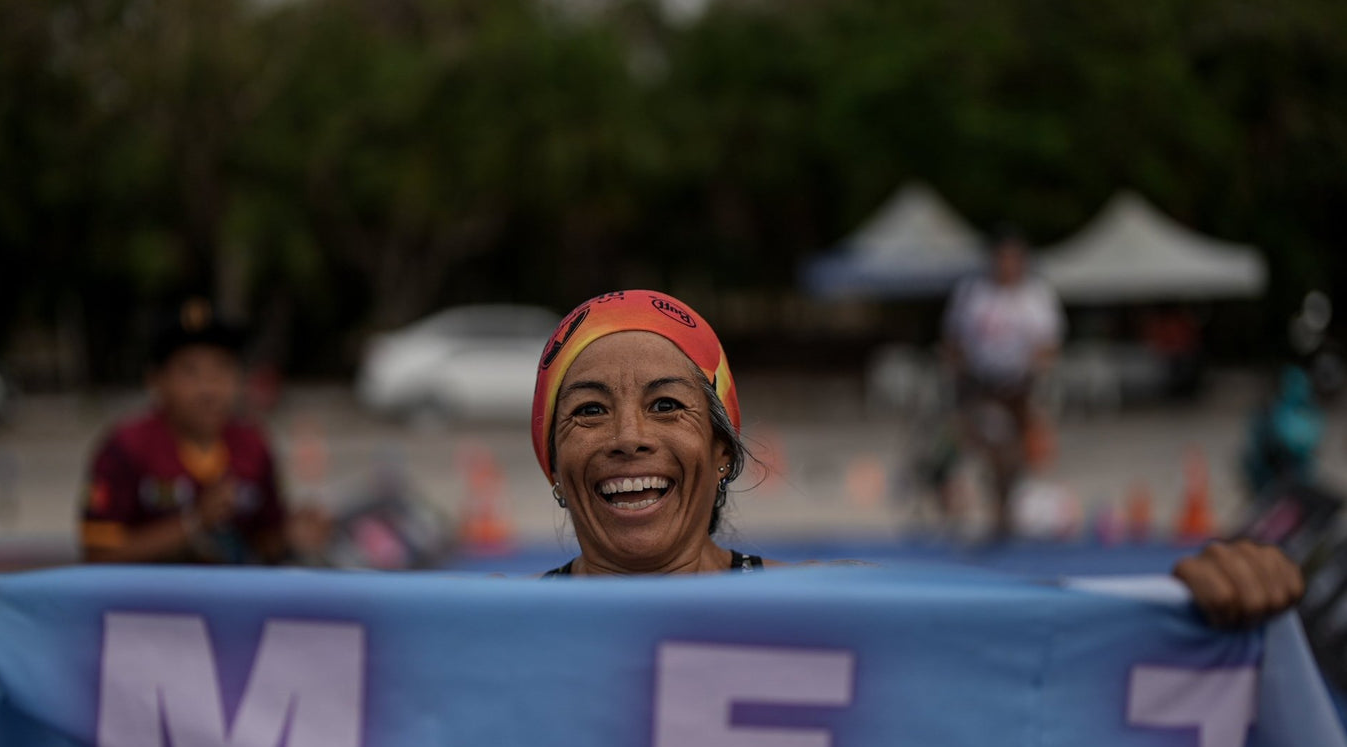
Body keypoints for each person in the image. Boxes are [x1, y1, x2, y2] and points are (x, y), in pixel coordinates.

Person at [530, 289, 1301, 623]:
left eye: (668, 405)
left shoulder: (860, 614)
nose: (628, 435)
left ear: (724, 452)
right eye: (588, 411)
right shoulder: (472, 636)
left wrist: (1181, 608)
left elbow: (1030, 634)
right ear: (554, 466)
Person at [80, 299, 277, 747]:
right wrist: (190, 525)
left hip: (232, 654)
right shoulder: (125, 448)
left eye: (223, 367)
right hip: (146, 656)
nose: (210, 384)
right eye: (190, 368)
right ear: (155, 381)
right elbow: (96, 553)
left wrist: (300, 532)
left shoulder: (252, 446)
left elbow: (267, 542)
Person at [942, 229, 1065, 539]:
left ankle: (1006, 509)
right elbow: (954, 337)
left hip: (1020, 385)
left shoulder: (1035, 294)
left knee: (1016, 455)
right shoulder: (974, 292)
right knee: (989, 443)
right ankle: (983, 508)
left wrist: (1036, 371)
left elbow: (1049, 342)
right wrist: (958, 372)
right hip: (982, 383)